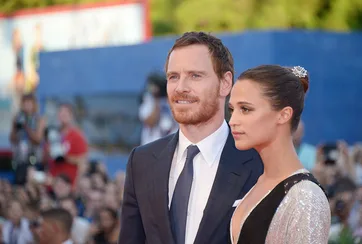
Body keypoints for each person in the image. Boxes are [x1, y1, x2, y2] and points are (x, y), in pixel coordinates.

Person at [118, 32, 263, 244]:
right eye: (173, 77)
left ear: (225, 83)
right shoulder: (141, 162)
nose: (180, 87)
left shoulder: (260, 163)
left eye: (195, 75)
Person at [228, 65, 331, 244]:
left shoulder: (305, 197)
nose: (233, 121)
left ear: (283, 115)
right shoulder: (257, 182)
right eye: (232, 110)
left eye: (245, 109)